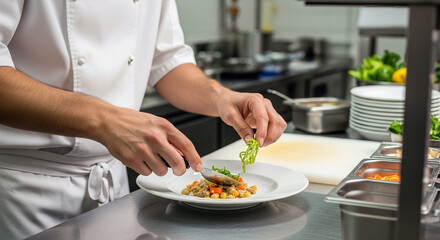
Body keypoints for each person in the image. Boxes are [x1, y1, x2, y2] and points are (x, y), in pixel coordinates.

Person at [0, 1, 287, 239]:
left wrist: (221, 97)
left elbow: (166, 61)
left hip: (114, 188)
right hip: (24, 192)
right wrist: (104, 120)